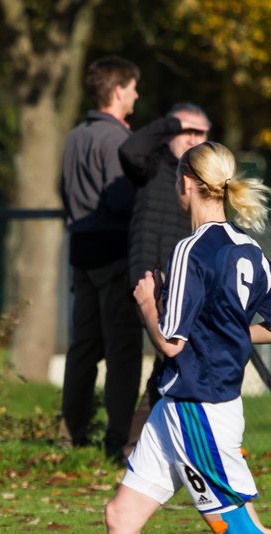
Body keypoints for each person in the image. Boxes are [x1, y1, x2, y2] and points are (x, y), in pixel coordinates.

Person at [6, 140, 271, 534]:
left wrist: (149, 303)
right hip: (177, 407)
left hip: (198, 408)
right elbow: (260, 324)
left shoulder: (190, 250)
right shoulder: (250, 249)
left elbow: (170, 342)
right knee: (121, 516)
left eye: (177, 179)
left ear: (188, 184)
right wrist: (224, 335)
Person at [59, 56, 141, 462]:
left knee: (83, 347)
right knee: (123, 349)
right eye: (132, 88)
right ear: (117, 91)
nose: (137, 95)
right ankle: (119, 439)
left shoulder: (75, 136)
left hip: (80, 250)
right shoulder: (118, 140)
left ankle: (70, 434)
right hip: (112, 253)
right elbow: (122, 197)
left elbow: (64, 191)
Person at [120, 103, 212, 457]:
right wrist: (171, 124)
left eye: (199, 132)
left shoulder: (206, 183)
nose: (190, 138)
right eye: (182, 131)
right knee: (165, 356)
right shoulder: (153, 164)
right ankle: (133, 445)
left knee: (170, 361)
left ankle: (141, 446)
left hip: (186, 284)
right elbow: (130, 149)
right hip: (149, 281)